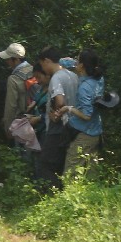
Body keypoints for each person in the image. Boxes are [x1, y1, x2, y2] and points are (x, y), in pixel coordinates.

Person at [57, 48, 105, 175]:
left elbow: (86, 115)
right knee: (91, 172)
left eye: (78, 61)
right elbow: (71, 64)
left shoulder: (84, 88)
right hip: (96, 131)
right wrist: (68, 62)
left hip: (84, 134)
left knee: (70, 171)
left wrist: (69, 108)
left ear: (82, 65)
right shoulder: (98, 79)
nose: (75, 63)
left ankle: (69, 194)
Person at [36, 46, 78, 189]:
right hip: (74, 125)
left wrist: (55, 114)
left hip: (58, 128)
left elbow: (60, 100)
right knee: (62, 164)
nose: (43, 68)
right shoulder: (72, 75)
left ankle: (52, 194)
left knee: (45, 165)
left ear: (47, 61)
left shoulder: (56, 78)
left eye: (42, 64)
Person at [0, 42, 34, 139]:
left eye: (8, 59)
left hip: (22, 122)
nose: (7, 62)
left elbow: (11, 106)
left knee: (23, 152)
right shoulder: (35, 70)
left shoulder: (13, 79)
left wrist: (8, 127)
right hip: (38, 118)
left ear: (16, 59)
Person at [25, 62, 50, 179]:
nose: (37, 81)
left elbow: (53, 111)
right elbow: (36, 99)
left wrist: (38, 118)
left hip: (47, 131)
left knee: (44, 162)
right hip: (38, 131)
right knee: (36, 162)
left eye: (39, 77)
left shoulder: (54, 90)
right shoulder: (41, 89)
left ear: (47, 75)